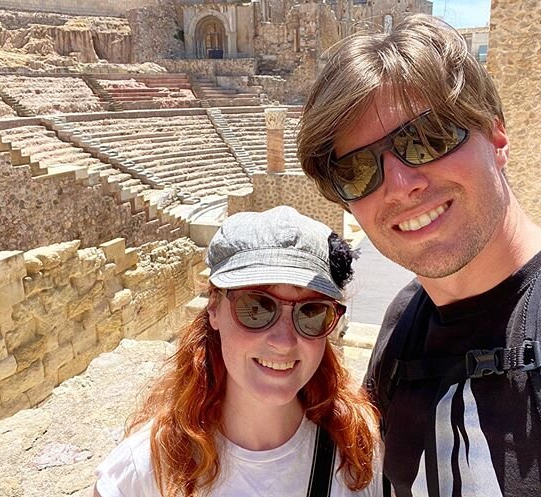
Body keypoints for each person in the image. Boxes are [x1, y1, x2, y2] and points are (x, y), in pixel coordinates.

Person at [296, 12, 541, 497]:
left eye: (426, 139)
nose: (401, 186)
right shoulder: (403, 324)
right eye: (357, 170)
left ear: (496, 137)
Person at [94, 205, 382, 497]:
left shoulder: (357, 452)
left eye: (311, 313)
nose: (283, 342)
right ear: (214, 307)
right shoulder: (146, 470)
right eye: (256, 308)